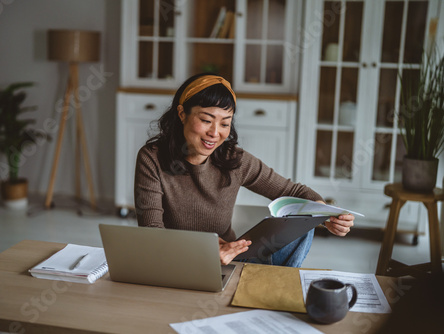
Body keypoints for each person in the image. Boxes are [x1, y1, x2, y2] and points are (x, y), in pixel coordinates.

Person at [134, 73, 355, 266]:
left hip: (229, 261)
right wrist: (206, 252)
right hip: (175, 262)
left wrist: (326, 216)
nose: (215, 132)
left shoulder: (234, 159)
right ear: (182, 114)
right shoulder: (152, 159)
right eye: (206, 120)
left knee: (303, 221)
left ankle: (268, 285)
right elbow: (152, 235)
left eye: (224, 123)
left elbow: (295, 192)